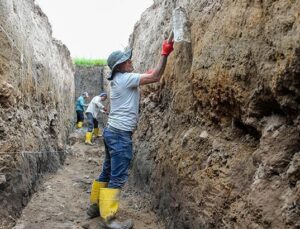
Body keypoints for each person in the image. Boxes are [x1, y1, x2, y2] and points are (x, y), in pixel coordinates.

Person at [86, 39, 174, 228]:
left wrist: (146, 74)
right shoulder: (126, 79)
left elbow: (143, 77)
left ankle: (94, 208)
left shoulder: (119, 80)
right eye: (128, 60)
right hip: (119, 136)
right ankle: (109, 219)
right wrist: (165, 54)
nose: (131, 61)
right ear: (120, 66)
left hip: (111, 132)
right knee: (117, 176)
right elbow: (157, 76)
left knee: (107, 171)